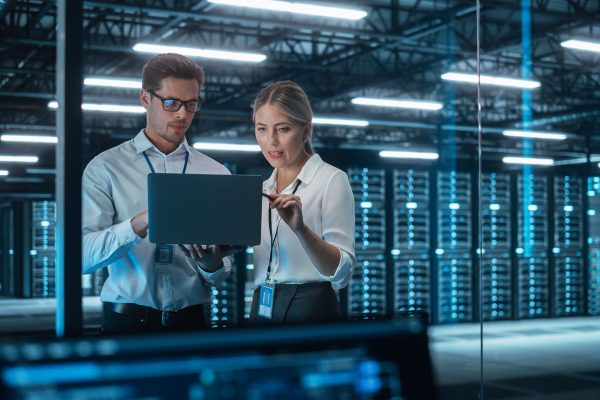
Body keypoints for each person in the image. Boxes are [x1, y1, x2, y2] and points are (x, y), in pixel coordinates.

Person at [82, 53, 238, 335]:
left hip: (192, 327)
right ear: (145, 98)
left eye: (191, 105)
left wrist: (211, 264)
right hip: (127, 327)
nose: (182, 114)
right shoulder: (106, 168)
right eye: (171, 103)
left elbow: (221, 273)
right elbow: (81, 257)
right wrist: (139, 223)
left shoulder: (216, 173)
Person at [249, 80, 356, 324]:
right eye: (261, 129)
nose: (270, 141)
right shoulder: (263, 188)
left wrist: (301, 229)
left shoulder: (331, 180)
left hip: (311, 306)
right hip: (262, 304)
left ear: (306, 130)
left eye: (283, 129)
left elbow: (341, 273)